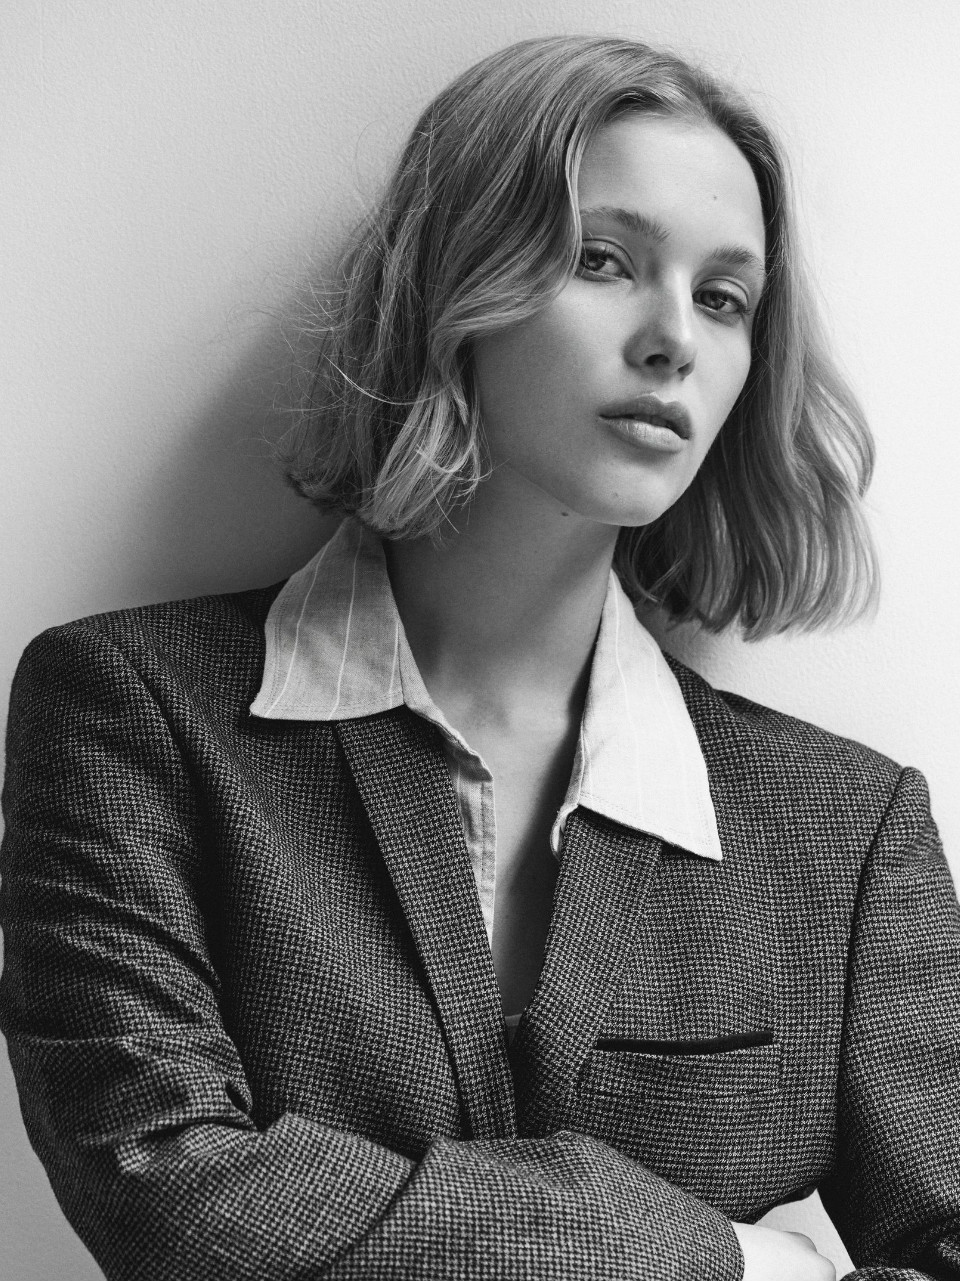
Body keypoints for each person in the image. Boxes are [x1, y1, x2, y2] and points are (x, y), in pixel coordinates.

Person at [1, 32, 958, 1281]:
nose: (674, 338)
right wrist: (723, 1258)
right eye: (603, 260)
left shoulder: (848, 829)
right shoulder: (131, 714)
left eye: (725, 297)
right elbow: (164, 1192)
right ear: (457, 281)